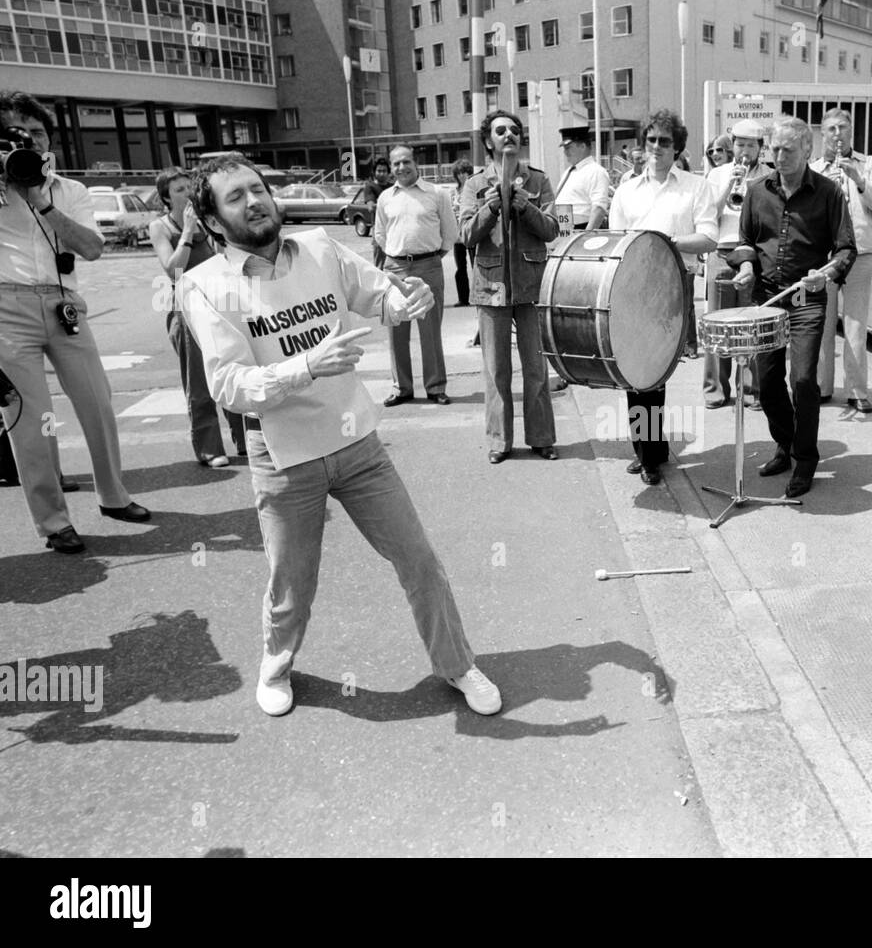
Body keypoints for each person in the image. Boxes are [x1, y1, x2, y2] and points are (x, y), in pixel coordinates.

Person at [178, 152, 501, 718]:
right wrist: (305, 366)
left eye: (257, 188)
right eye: (236, 197)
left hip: (358, 446)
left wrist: (406, 301)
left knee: (418, 559)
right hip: (283, 456)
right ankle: (276, 666)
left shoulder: (320, 249)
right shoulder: (204, 286)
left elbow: (378, 294)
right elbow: (227, 385)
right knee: (292, 583)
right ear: (211, 222)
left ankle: (456, 665)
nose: (254, 201)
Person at [0, 91, 150, 554]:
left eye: (36, 133)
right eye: (13, 134)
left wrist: (43, 202)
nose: (27, 141)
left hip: (65, 306)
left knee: (97, 403)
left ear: (49, 142)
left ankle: (113, 496)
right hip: (6, 310)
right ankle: (53, 522)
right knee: (33, 420)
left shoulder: (71, 191)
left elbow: (92, 247)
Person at [730, 116, 856, 499]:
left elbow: (847, 248)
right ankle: (785, 444)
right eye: (774, 150)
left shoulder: (830, 193)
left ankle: (805, 458)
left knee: (802, 381)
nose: (779, 157)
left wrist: (828, 273)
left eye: (787, 150)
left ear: (807, 150)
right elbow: (746, 241)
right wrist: (747, 266)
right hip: (766, 297)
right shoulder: (756, 191)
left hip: (806, 298)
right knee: (766, 383)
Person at [608, 108, 717, 486]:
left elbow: (708, 237)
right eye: (651, 140)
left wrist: (663, 241)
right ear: (643, 144)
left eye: (665, 141)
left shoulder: (695, 186)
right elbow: (615, 243)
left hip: (673, 283)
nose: (656, 147)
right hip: (632, 286)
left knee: (656, 370)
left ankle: (651, 452)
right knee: (634, 370)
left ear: (678, 147)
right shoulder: (625, 190)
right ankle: (648, 451)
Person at [459, 109, 560, 464]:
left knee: (536, 368)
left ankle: (542, 438)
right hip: (490, 287)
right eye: (501, 131)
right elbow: (466, 235)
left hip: (532, 286)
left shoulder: (538, 180)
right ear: (488, 140)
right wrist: (489, 209)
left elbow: (551, 229)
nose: (509, 135)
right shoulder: (474, 185)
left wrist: (524, 207)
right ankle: (499, 442)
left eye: (515, 130)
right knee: (496, 370)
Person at [148, 167, 245, 468]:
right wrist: (188, 232)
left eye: (188, 187)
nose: (187, 193)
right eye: (178, 190)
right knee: (199, 380)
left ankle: (245, 439)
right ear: (166, 197)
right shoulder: (161, 227)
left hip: (218, 301)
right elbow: (173, 269)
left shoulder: (207, 219)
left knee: (233, 367)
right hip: (186, 306)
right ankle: (209, 448)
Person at [810, 107, 872, 413]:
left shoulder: (869, 164)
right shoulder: (814, 168)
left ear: (851, 130)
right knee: (823, 325)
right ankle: (822, 387)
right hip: (824, 255)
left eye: (842, 128)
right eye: (831, 129)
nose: (837, 134)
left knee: (855, 325)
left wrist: (858, 180)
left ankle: (856, 390)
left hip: (860, 251)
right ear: (823, 134)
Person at [373, 144, 457, 407]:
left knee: (430, 330)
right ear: (391, 167)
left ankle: (435, 386)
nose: (401, 168)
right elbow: (380, 234)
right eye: (396, 163)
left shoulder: (437, 193)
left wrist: (430, 259)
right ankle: (402, 388)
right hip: (395, 268)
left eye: (406, 162)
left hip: (428, 266)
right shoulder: (385, 197)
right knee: (396, 329)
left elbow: (450, 234)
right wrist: (397, 257)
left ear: (415, 163)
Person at [702, 118, 771, 410]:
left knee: (751, 326)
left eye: (750, 145)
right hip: (721, 251)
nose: (744, 150)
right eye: (739, 144)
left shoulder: (769, 176)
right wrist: (731, 183)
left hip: (753, 256)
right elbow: (708, 215)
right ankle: (715, 389)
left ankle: (753, 390)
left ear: (760, 148)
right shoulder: (717, 174)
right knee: (718, 325)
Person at [554, 125, 610, 231]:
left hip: (581, 228)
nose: (565, 152)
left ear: (582, 146)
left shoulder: (596, 171)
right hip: (565, 227)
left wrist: (586, 235)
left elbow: (599, 208)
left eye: (568, 148)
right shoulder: (569, 172)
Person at [450, 158, 475, 308]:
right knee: (460, 267)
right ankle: (463, 298)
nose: (462, 176)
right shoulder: (453, 192)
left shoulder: (473, 189)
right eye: (459, 173)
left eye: (464, 172)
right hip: (458, 235)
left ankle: (480, 295)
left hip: (471, 232)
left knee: (476, 265)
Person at [363, 157, 392, 268]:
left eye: (384, 171)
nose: (381, 173)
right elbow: (371, 207)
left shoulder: (393, 187)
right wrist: (391, 206)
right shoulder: (370, 186)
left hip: (394, 226)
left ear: (389, 173)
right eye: (379, 171)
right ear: (374, 172)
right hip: (379, 228)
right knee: (380, 262)